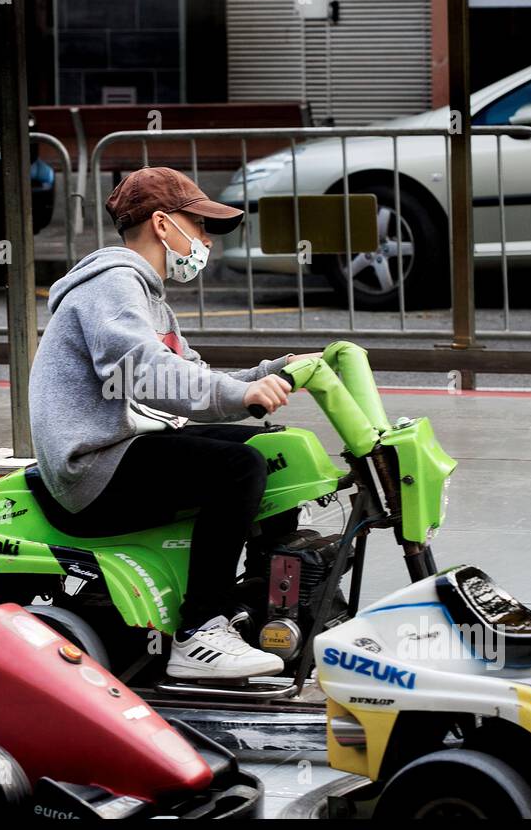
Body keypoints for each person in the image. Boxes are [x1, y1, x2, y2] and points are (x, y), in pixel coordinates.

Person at [28, 166, 317, 679]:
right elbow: (147, 374)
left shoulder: (148, 297)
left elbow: (192, 376)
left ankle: (258, 604)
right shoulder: (112, 285)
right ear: (163, 225)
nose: (206, 240)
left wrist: (277, 372)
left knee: (275, 453)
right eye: (200, 226)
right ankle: (200, 632)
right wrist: (240, 393)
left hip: (125, 448)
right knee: (239, 467)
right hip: (94, 467)